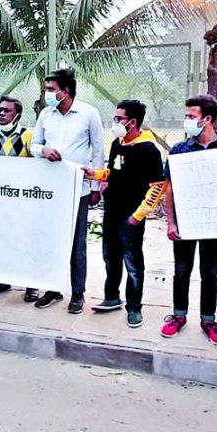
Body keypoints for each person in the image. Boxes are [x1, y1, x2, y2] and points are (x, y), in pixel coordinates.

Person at [161, 94, 217, 347]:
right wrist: (171, 222)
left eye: (191, 116)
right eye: (186, 115)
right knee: (181, 270)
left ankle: (208, 320)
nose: (186, 121)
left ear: (207, 119)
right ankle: (178, 316)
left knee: (210, 272)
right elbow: (170, 189)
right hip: (186, 221)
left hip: (214, 222)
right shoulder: (179, 150)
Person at [29, 68, 105, 314]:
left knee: (77, 244)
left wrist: (96, 186)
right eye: (47, 89)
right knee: (51, 241)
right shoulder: (45, 114)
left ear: (66, 91)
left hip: (78, 188)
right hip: (50, 188)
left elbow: (98, 152)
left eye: (51, 89)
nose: (48, 93)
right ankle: (53, 289)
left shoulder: (88, 113)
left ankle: (78, 293)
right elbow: (34, 144)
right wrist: (43, 151)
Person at [84, 100, 165, 328]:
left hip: (131, 216)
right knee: (110, 257)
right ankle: (111, 296)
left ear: (132, 122)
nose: (115, 122)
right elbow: (114, 172)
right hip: (111, 211)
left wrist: (139, 215)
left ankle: (134, 308)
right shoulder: (117, 143)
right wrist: (96, 174)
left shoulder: (149, 149)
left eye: (119, 119)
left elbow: (158, 185)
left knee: (133, 263)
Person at [0, 96, 40, 302]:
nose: (2, 114)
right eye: (0, 110)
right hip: (0, 201)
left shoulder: (29, 137)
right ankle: (3, 279)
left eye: (7, 111)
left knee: (26, 242)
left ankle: (32, 285)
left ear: (18, 115)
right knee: (1, 241)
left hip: (24, 201)